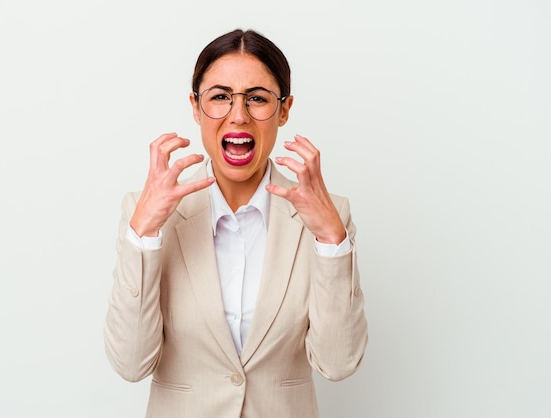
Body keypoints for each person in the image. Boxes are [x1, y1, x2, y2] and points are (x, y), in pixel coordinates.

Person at [104, 28, 368, 418]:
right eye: (220, 97)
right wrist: (143, 234)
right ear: (195, 107)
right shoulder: (148, 214)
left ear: (284, 109)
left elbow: (338, 363)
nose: (239, 116)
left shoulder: (329, 215)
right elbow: (130, 364)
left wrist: (331, 239)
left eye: (258, 99)